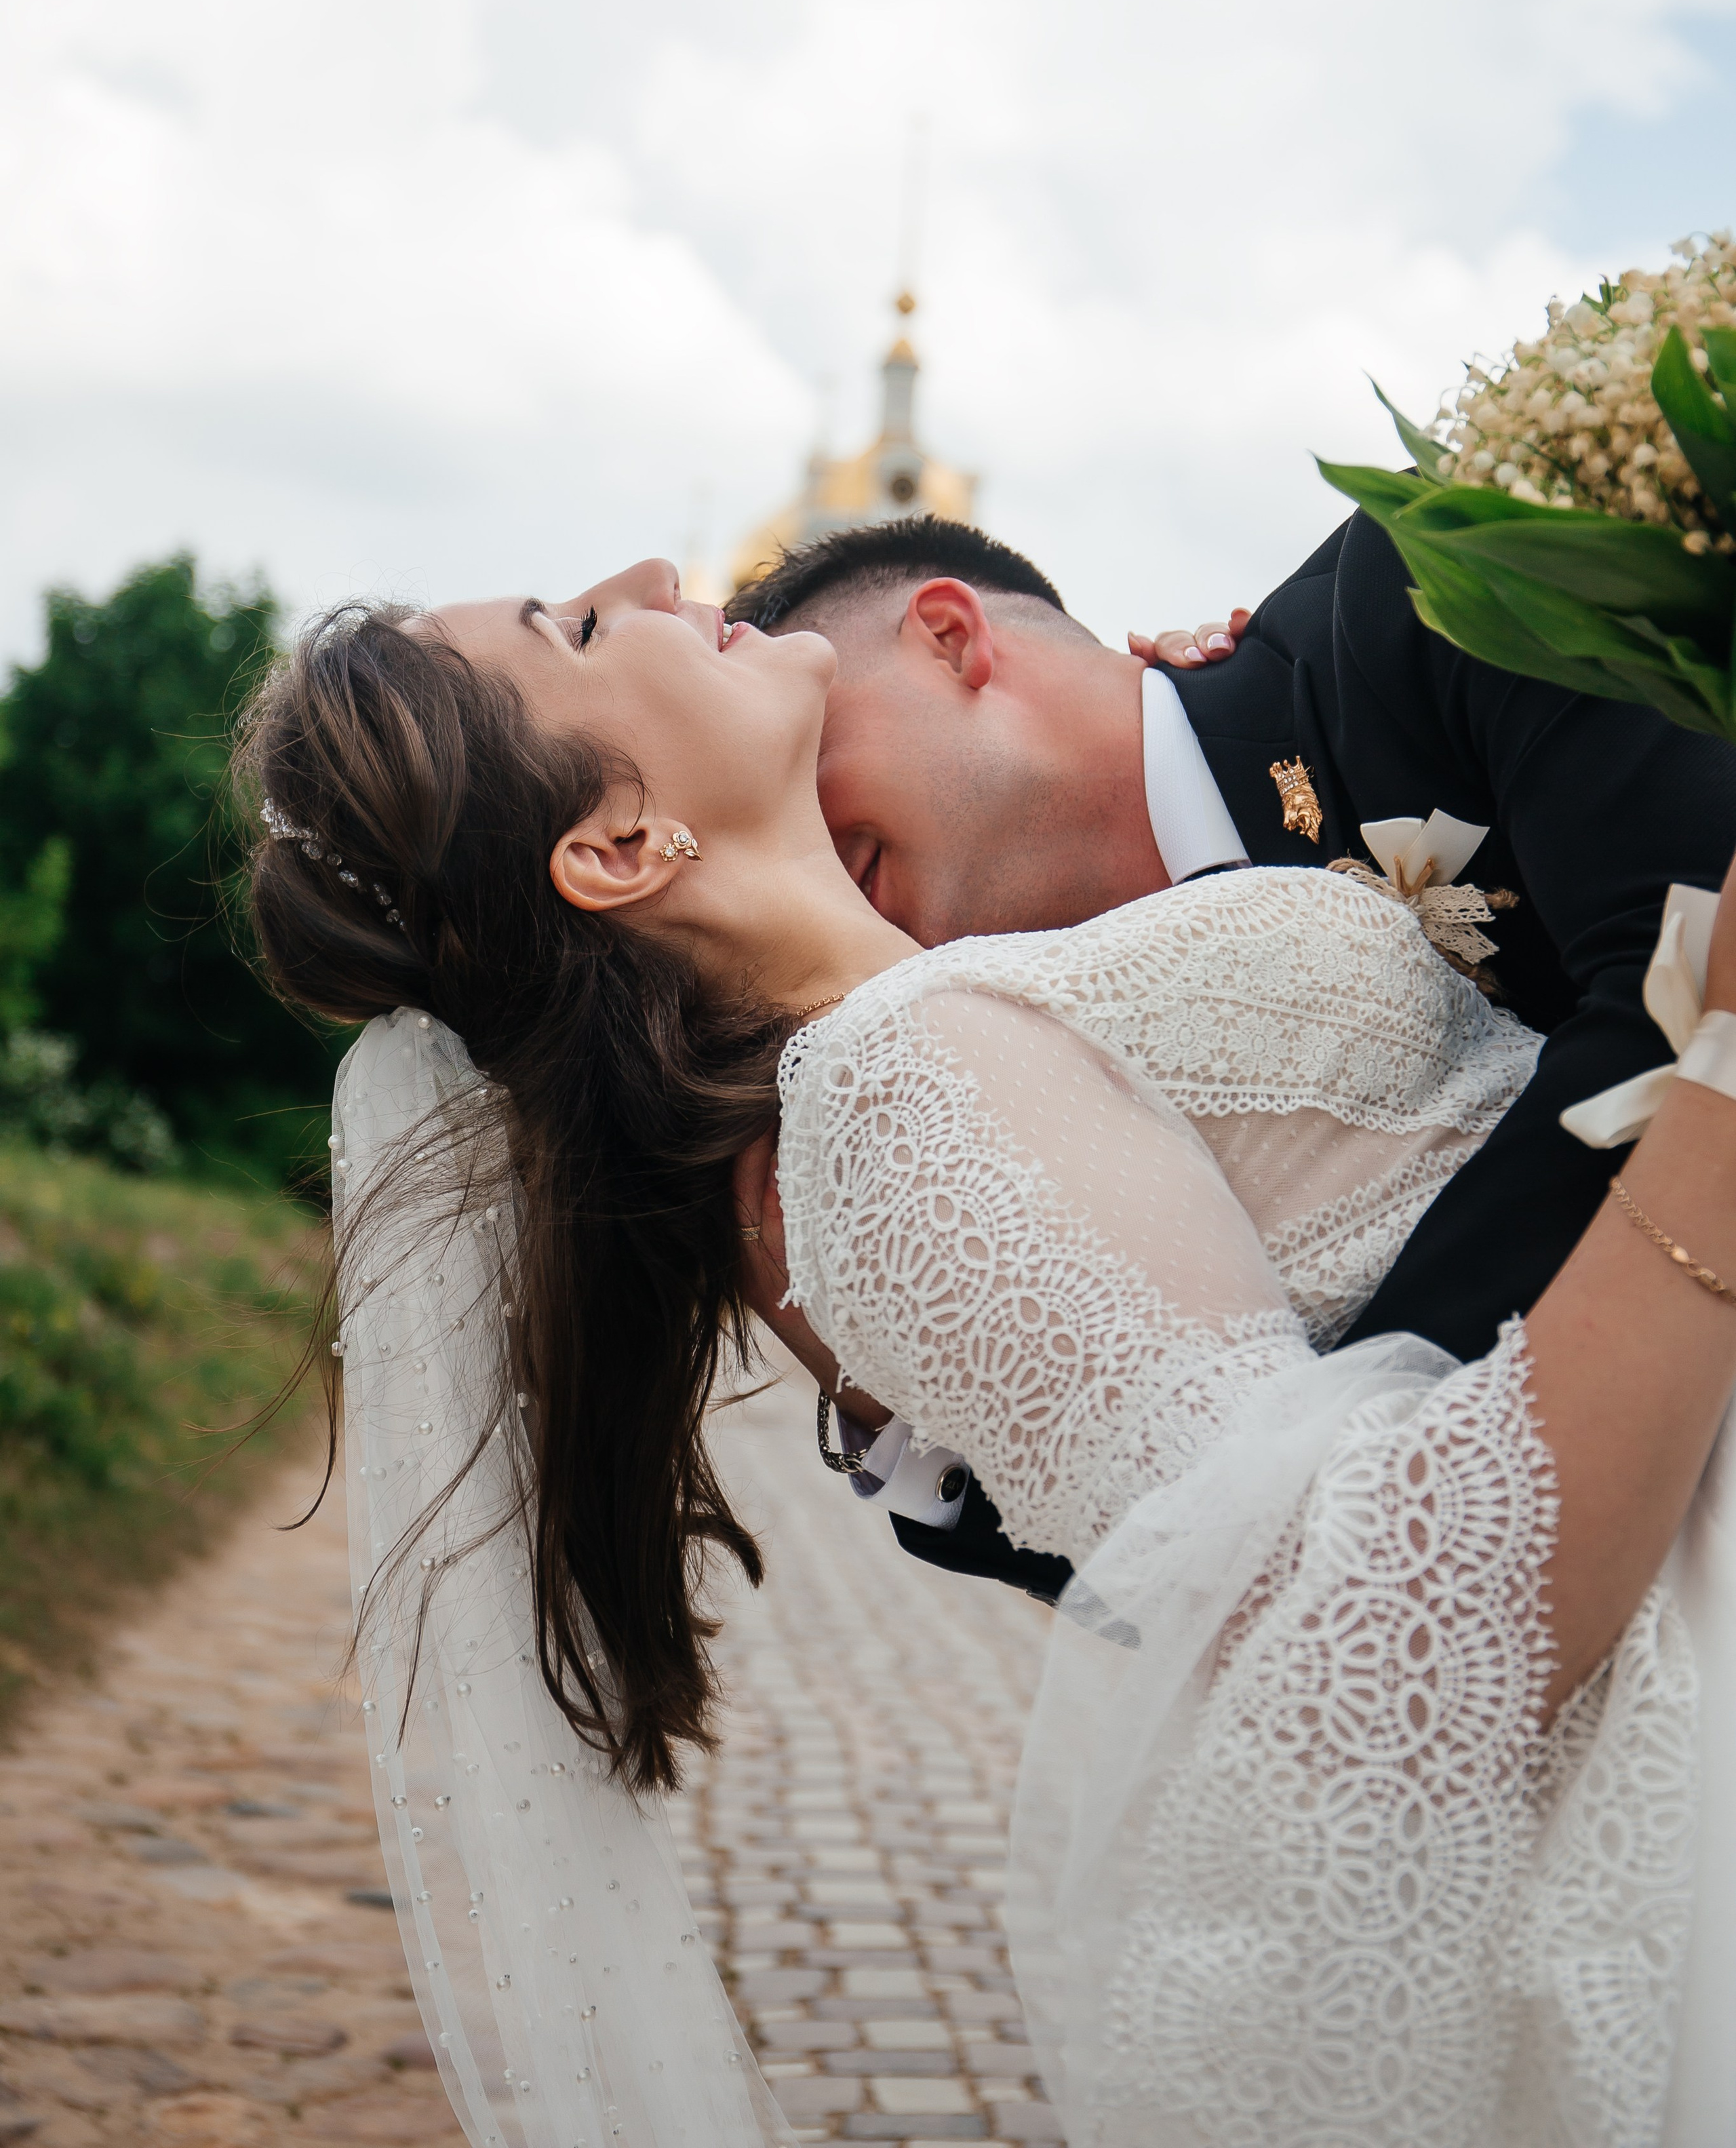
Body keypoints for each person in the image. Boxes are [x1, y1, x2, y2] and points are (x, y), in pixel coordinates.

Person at [241, 566, 1736, 2147]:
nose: (653, 582)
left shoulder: (928, 1029)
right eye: (584, 632)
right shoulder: (887, 1094)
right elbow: (1388, 1664)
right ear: (613, 848)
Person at [723, 512, 1736, 1601]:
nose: (799, 853)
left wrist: (1346, 1500)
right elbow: (1167, 1601)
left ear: (948, 637)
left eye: (799, 761)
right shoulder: (1027, 1081)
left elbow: (1683, 978)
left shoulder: (1429, 588)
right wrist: (887, 1406)